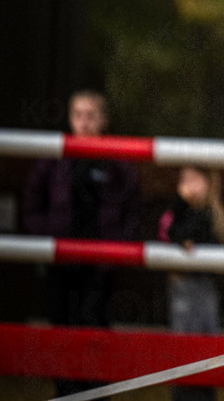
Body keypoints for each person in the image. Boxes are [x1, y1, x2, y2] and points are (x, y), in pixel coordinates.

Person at [22, 89, 141, 396]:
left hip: (101, 267)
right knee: (61, 330)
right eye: (78, 115)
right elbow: (32, 202)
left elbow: (133, 209)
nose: (84, 122)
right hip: (60, 263)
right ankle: (65, 393)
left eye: (91, 115)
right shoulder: (55, 156)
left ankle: (97, 393)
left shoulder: (117, 160)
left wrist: (117, 251)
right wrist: (45, 238)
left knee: (96, 331)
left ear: (103, 119)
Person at [157, 165, 224, 401]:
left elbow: (198, 233)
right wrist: (180, 203)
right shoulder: (177, 212)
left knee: (205, 349)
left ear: (208, 183)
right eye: (183, 180)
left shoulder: (211, 214)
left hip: (204, 288)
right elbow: (173, 232)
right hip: (182, 286)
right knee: (183, 350)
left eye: (194, 179)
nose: (187, 186)